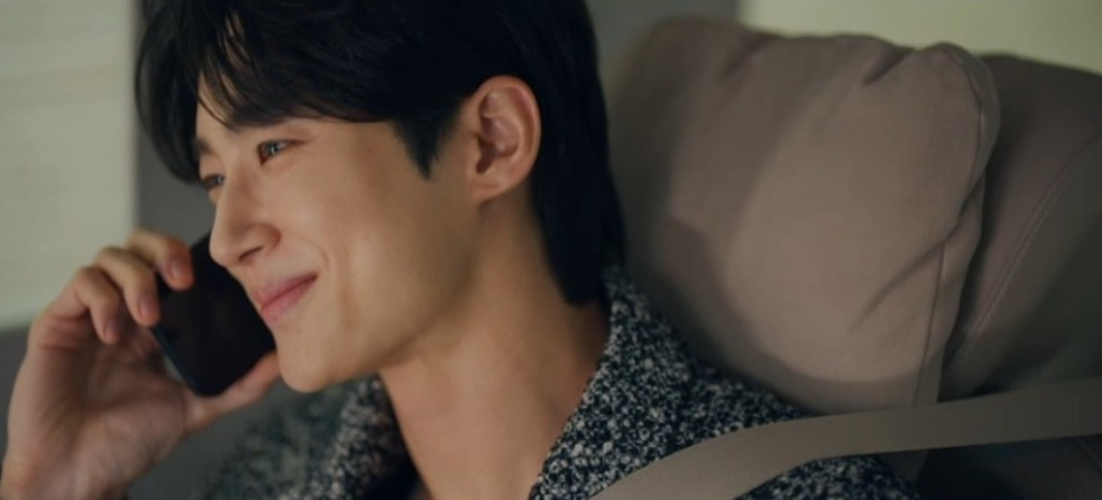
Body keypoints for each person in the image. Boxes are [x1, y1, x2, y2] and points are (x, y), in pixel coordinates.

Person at [0, 1, 923, 499]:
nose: (231, 239)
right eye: (215, 179)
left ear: (490, 141)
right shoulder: (285, 471)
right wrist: (52, 488)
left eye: (273, 148)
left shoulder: (799, 494)